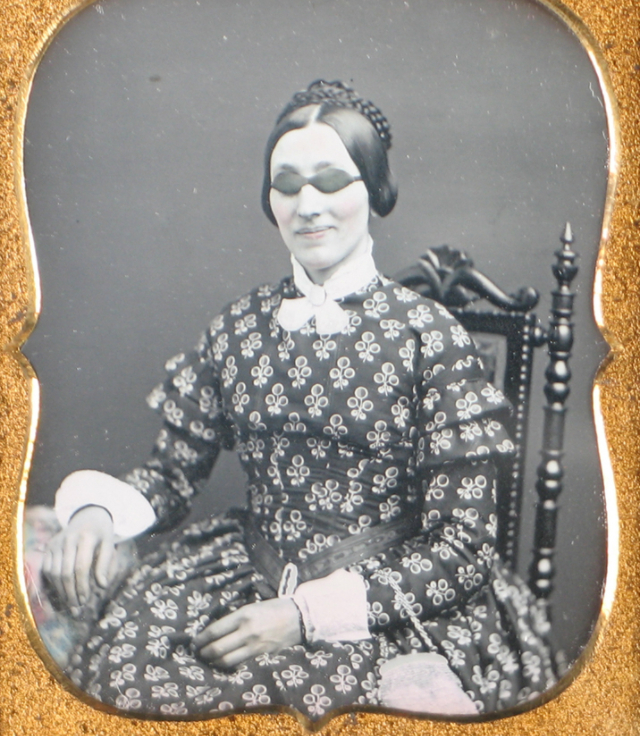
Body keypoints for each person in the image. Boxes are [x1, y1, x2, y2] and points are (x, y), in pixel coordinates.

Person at [40, 80, 556, 720]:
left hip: (388, 607)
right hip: (248, 572)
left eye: (332, 181)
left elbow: (463, 545)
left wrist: (305, 614)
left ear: (375, 190)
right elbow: (171, 475)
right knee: (133, 681)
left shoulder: (430, 337)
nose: (308, 205)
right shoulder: (238, 328)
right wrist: (96, 513)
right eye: (287, 184)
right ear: (270, 201)